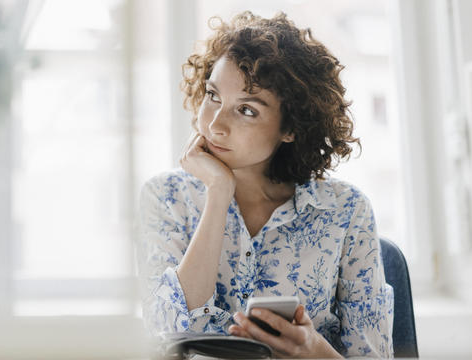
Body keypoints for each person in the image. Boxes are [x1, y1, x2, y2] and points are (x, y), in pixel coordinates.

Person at [136, 11, 393, 359]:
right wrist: (218, 193)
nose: (214, 125)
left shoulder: (346, 211)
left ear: (290, 128)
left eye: (247, 110)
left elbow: (375, 355)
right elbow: (169, 334)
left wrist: (314, 350)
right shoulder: (165, 198)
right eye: (213, 95)